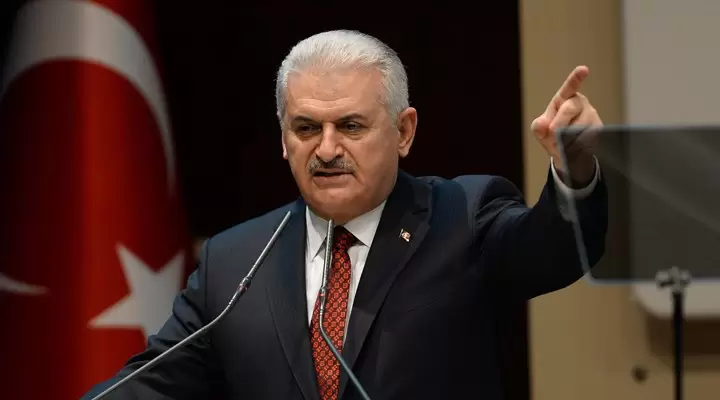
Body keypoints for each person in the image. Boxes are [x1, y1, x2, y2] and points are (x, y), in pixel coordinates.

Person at [83, 30, 607, 400]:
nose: (328, 149)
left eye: (351, 127)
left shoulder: (462, 216)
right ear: (283, 139)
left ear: (404, 132)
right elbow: (150, 385)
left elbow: (553, 251)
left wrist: (575, 169)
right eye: (306, 128)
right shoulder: (235, 259)